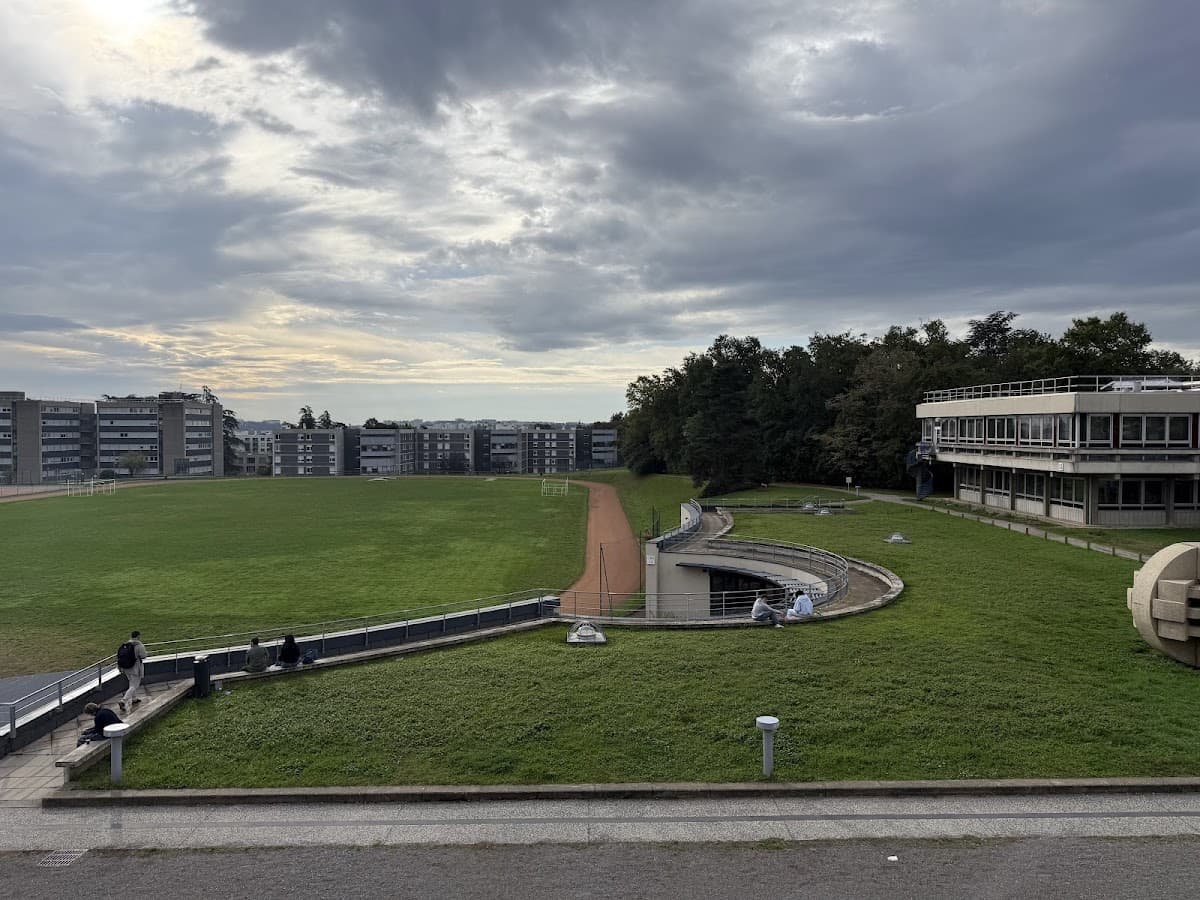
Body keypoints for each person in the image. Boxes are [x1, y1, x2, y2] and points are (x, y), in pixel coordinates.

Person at [117, 630, 150, 712]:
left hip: (126, 668)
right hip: (135, 668)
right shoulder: (139, 645)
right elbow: (143, 656)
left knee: (131, 683)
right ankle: (123, 701)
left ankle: (134, 698)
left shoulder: (126, 645)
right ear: (138, 636)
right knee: (134, 685)